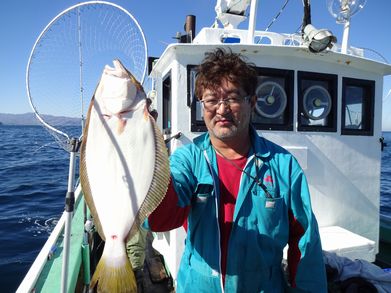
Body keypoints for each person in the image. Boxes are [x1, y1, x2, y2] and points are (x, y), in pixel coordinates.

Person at [147, 48, 327, 292]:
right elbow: (160, 218)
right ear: (202, 105)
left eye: (232, 98)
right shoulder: (188, 160)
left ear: (251, 102)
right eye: (211, 100)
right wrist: (145, 153)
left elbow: (305, 242)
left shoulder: (283, 165)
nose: (221, 109)